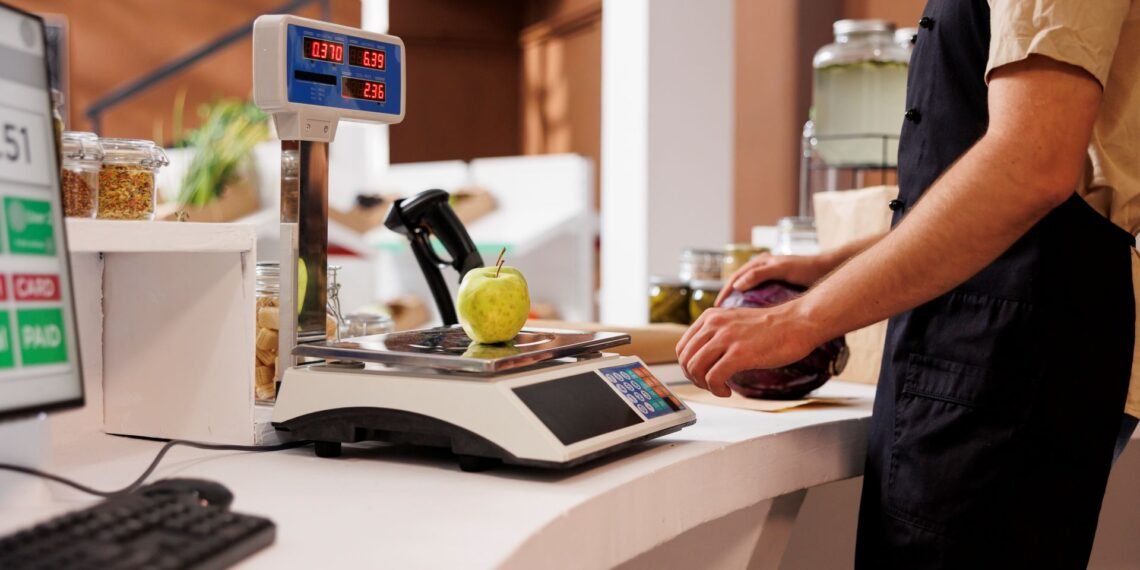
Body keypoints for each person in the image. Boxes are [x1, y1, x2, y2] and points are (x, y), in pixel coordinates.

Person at [676, 1, 1140, 567]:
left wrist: (799, 318)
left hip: (1008, 360)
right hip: (981, 352)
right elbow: (986, 203)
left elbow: (1032, 164)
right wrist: (833, 265)